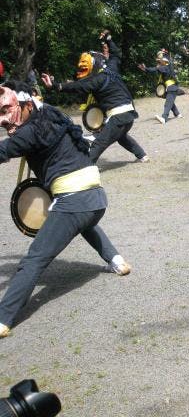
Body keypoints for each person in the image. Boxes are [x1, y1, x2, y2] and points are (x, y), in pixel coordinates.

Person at [0, 86, 131, 338]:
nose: (5, 118)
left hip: (75, 200)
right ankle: (117, 261)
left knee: (34, 259)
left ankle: (4, 318)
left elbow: (3, 150)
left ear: (27, 106)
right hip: (97, 198)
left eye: (7, 110)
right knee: (83, 221)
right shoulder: (50, 113)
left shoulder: (29, 133)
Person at [41, 52, 149, 163]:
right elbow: (115, 55)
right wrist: (108, 39)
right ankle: (142, 155)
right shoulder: (111, 69)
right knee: (121, 137)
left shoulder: (97, 79)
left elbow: (78, 86)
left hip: (118, 117)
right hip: (128, 114)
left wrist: (55, 85)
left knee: (98, 144)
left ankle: (85, 168)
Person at [138, 50, 183, 124]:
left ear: (164, 61)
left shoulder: (165, 67)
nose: (159, 63)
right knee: (170, 101)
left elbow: (154, 69)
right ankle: (178, 114)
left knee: (168, 103)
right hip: (172, 87)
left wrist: (145, 68)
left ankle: (164, 118)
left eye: (160, 61)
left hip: (171, 88)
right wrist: (164, 53)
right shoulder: (168, 66)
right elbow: (160, 66)